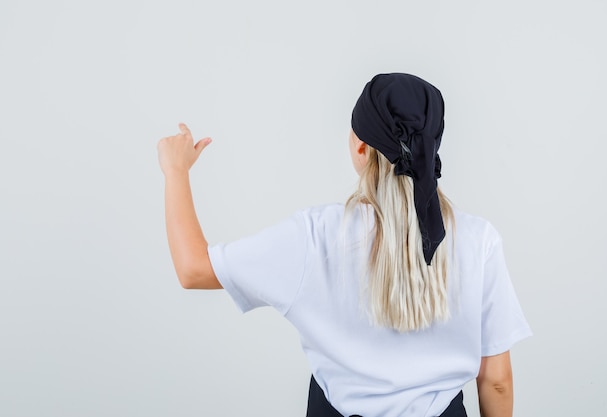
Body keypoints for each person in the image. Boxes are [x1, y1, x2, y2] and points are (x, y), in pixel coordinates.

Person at [157, 73, 531, 417]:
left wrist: (176, 172)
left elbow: (193, 269)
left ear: (360, 148)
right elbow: (496, 380)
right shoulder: (478, 241)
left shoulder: (313, 236)